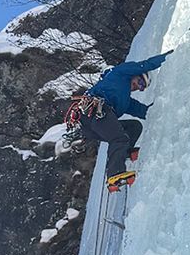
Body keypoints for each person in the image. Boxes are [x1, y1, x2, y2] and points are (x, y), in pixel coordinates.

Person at [70, 51, 170, 190]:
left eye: (142, 87)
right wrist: (170, 56)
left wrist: (169, 106)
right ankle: (114, 174)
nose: (138, 87)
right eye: (140, 81)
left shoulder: (126, 101)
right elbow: (146, 65)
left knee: (134, 127)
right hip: (95, 110)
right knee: (119, 138)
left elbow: (145, 112)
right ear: (135, 75)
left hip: (92, 125)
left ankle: (125, 153)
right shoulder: (120, 73)